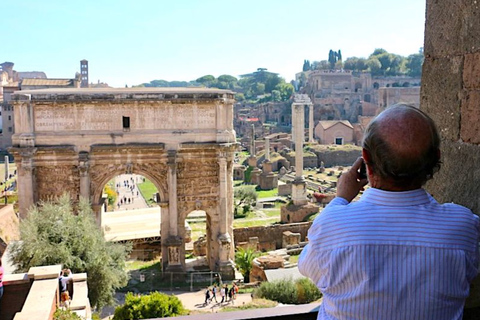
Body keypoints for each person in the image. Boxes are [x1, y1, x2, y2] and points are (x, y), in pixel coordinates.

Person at [298, 104, 479, 320]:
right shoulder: (463, 226)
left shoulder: (333, 225)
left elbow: (307, 267)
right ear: (435, 158)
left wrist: (341, 199)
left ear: (365, 158)